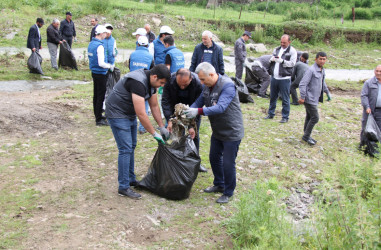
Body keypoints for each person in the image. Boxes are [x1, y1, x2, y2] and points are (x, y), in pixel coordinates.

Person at [105, 65, 171, 199]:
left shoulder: (152, 83)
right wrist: (154, 133)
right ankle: (123, 187)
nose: (161, 86)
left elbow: (153, 105)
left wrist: (161, 126)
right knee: (125, 148)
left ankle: (130, 179)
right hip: (117, 113)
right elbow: (141, 113)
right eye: (161, 83)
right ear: (154, 77)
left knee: (132, 146)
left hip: (128, 113)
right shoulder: (137, 83)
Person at [184, 62, 244, 203]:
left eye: (203, 79)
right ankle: (219, 183)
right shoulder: (207, 87)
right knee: (214, 158)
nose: (201, 82)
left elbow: (220, 107)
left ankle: (228, 192)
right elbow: (198, 103)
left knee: (228, 163)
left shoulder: (227, 85)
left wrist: (197, 111)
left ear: (211, 74)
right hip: (217, 130)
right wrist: (188, 111)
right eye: (200, 80)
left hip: (232, 131)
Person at [161, 68, 207, 172]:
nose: (182, 87)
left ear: (191, 79)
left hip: (191, 109)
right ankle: (177, 160)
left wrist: (190, 125)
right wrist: (169, 119)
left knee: (194, 135)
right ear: (175, 78)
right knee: (175, 135)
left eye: (185, 85)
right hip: (174, 109)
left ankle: (195, 162)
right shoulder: (169, 81)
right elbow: (165, 101)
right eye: (179, 84)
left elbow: (198, 103)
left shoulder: (198, 84)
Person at [264, 34, 297, 123]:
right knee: (272, 97)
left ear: (289, 42)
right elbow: (271, 59)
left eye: (284, 43)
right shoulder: (277, 49)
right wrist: (271, 59)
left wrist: (282, 61)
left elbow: (292, 64)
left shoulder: (292, 51)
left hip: (284, 78)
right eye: (281, 42)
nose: (282, 44)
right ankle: (271, 113)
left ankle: (285, 117)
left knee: (285, 98)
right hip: (274, 77)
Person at [298, 52, 329, 146]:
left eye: (324, 59)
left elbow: (322, 82)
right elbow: (303, 84)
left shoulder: (322, 70)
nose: (322, 61)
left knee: (309, 116)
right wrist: (303, 97)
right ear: (316, 59)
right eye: (320, 59)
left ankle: (306, 134)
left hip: (315, 98)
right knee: (315, 118)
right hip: (309, 98)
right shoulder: (311, 70)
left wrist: (327, 92)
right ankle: (306, 137)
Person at [88, 25, 114, 126]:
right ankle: (99, 118)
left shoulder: (91, 43)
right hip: (101, 73)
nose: (105, 35)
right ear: (101, 33)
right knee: (100, 96)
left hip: (94, 72)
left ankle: (97, 114)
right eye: (105, 33)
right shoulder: (100, 46)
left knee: (96, 94)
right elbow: (101, 63)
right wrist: (110, 66)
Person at [129, 35, 155, 134]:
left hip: (132, 81)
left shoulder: (132, 54)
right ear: (147, 45)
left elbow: (129, 66)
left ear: (138, 44)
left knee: (133, 104)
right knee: (145, 104)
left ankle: (133, 124)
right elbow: (152, 70)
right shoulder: (149, 56)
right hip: (144, 82)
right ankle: (142, 127)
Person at [360, 65, 381, 147]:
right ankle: (363, 146)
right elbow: (364, 95)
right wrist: (367, 107)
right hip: (370, 110)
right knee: (366, 128)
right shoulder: (368, 83)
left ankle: (376, 147)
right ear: (374, 71)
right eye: (377, 71)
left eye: (380, 71)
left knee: (379, 129)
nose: (378, 73)